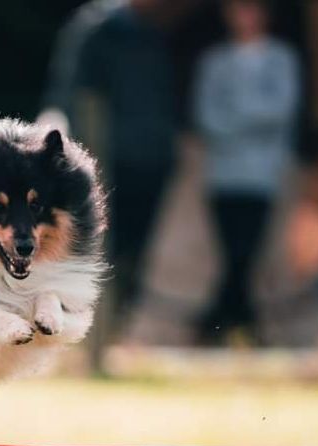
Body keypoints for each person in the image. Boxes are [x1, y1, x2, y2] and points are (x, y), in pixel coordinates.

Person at [40, 0, 179, 336]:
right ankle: (93, 335)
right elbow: (69, 91)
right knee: (102, 248)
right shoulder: (95, 27)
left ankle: (116, 329)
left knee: (135, 250)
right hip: (106, 159)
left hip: (152, 157)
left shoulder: (154, 33)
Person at [193, 0, 300, 341]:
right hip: (223, 171)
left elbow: (281, 110)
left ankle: (220, 320)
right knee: (232, 250)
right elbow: (206, 114)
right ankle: (242, 323)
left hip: (262, 172)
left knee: (247, 251)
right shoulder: (215, 61)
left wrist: (234, 114)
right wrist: (250, 116)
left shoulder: (282, 59)